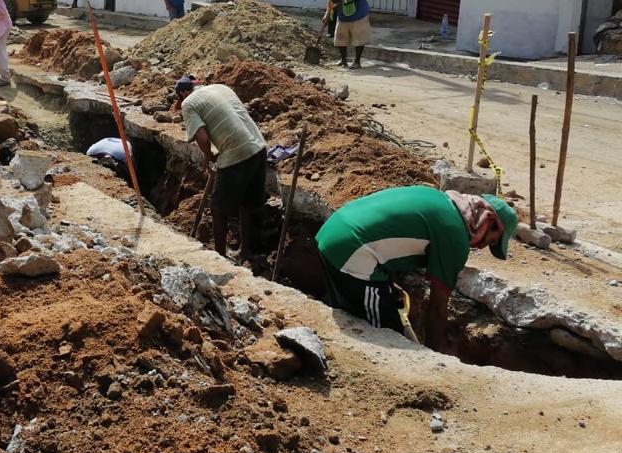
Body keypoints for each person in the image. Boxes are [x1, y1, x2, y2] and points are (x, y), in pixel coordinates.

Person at [315, 185, 517, 351]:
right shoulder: (455, 236)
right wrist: (437, 356)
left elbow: (389, 236)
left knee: (365, 311)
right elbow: (437, 308)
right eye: (490, 242)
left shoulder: (436, 198)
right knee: (388, 339)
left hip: (332, 233)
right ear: (488, 220)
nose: (480, 247)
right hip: (352, 251)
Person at [175, 75, 267, 261]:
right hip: (258, 147)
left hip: (236, 153)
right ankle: (245, 251)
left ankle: (220, 257)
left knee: (218, 208)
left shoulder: (188, 103)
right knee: (247, 204)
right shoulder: (220, 87)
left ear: (183, 93)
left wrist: (207, 160)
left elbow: (203, 139)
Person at [320, 0, 371, 69]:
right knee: (340, 38)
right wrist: (327, 15)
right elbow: (331, 2)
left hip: (358, 13)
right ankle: (343, 60)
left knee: (359, 39)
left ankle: (357, 62)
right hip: (343, 14)